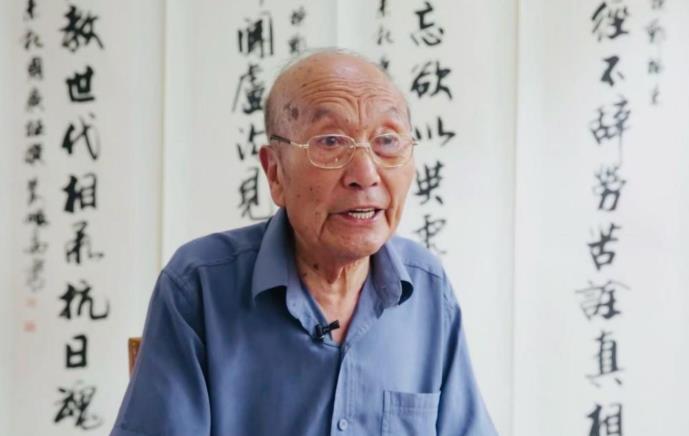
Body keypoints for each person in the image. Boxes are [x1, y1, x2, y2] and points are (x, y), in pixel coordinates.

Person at [111, 48, 497, 436]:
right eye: (330, 141)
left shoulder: (427, 287)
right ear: (275, 172)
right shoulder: (199, 286)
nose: (365, 174)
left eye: (387, 140)